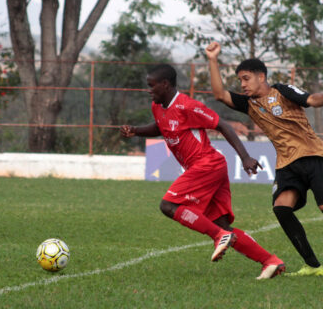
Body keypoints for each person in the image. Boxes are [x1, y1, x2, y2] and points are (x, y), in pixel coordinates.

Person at [120, 63, 285, 280]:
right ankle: (270, 261)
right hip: (206, 168)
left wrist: (245, 157)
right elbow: (161, 126)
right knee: (222, 224)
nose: (149, 90)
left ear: (165, 84)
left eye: (152, 86)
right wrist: (135, 130)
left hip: (208, 165)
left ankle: (219, 236)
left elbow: (223, 125)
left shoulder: (187, 106)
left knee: (169, 205)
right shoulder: (157, 106)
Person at [206, 41, 323, 276]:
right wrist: (212, 59)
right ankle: (313, 266)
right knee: (281, 208)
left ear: (261, 77)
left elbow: (312, 100)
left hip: (313, 156)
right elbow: (219, 94)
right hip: (286, 165)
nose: (243, 84)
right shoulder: (248, 104)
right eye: (240, 80)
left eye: (246, 78)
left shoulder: (282, 91)